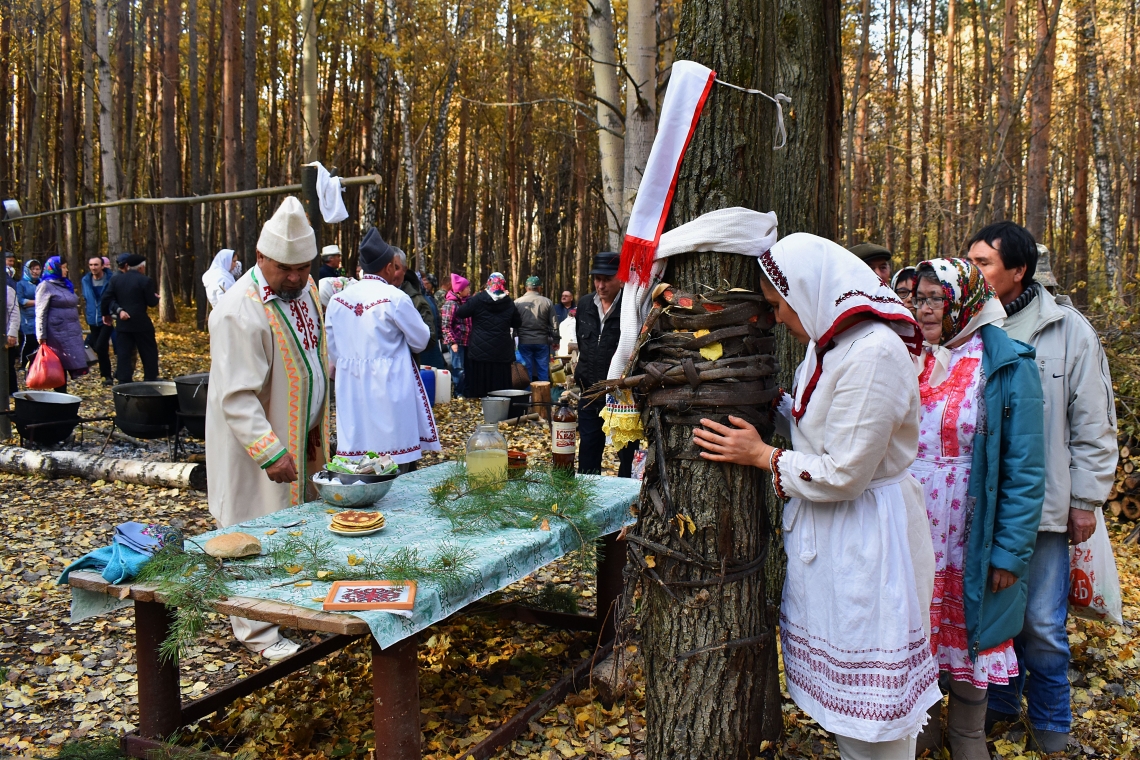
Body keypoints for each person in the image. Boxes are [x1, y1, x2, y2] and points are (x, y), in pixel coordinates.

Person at [692, 233, 940, 759]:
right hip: (839, 535)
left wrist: (763, 456)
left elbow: (847, 470)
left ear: (810, 291)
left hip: (869, 540)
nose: (778, 317)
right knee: (852, 714)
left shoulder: (874, 352)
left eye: (780, 304)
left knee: (876, 713)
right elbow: (821, 425)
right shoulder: (831, 343)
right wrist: (767, 402)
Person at [967, 221, 1117, 754]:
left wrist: (1085, 500)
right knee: (989, 614)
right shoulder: (971, 327)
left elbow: (1093, 422)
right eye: (973, 260)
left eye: (984, 263)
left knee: (1043, 626)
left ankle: (1053, 727)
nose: (975, 271)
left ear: (1019, 270)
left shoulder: (1067, 330)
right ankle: (1000, 708)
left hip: (1046, 509)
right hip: (982, 508)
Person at [910, 258, 1044, 758]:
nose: (922, 309)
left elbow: (1026, 469)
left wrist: (1010, 553)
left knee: (972, 646)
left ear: (962, 300)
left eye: (934, 299)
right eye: (917, 298)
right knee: (916, 650)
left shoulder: (1006, 363)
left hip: (973, 532)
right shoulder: (909, 355)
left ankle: (967, 739)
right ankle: (920, 742)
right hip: (913, 528)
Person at [206, 196, 329, 661]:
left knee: (295, 527)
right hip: (256, 445)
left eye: (303, 267)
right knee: (251, 528)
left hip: (301, 434)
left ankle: (289, 607)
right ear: (260, 258)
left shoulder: (306, 290)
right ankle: (257, 631)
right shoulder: (239, 310)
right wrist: (270, 450)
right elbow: (235, 396)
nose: (295, 277)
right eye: (285, 268)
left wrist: (316, 423)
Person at [325, 227, 440, 466]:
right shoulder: (394, 297)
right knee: (394, 458)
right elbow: (420, 340)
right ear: (389, 267)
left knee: (358, 461)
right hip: (390, 388)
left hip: (352, 389)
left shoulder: (337, 300)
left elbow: (333, 350)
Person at [575, 252, 637, 476]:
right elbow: (583, 345)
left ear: (620, 278)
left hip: (622, 393)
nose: (601, 285)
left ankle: (628, 501)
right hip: (590, 391)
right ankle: (586, 500)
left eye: (607, 279)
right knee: (589, 451)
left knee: (627, 454)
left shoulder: (631, 308)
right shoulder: (584, 305)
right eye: (597, 279)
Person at [453, 272, 521, 399]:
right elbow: (517, 322)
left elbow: (461, 313)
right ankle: (501, 402)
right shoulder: (508, 302)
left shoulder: (478, 298)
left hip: (480, 348)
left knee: (480, 378)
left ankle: (480, 402)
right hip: (502, 349)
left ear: (489, 283)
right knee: (500, 380)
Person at [101, 254, 160, 383]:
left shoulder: (116, 280)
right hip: (141, 324)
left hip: (123, 324)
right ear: (141, 267)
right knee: (148, 351)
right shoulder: (145, 280)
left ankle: (123, 381)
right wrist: (156, 297)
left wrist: (106, 314)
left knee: (123, 354)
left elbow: (106, 298)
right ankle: (150, 379)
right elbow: (151, 302)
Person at [35, 257, 89, 390]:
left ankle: (62, 395)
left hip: (71, 331)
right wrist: (41, 334)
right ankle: (60, 394)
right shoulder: (45, 286)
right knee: (58, 364)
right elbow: (40, 311)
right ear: (55, 268)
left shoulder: (65, 284)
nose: (66, 270)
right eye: (63, 267)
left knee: (69, 362)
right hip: (56, 332)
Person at [399, 268, 445, 369]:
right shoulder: (425, 299)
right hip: (429, 356)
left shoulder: (416, 301)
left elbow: (429, 335)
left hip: (422, 358)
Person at [514, 275, 556, 382]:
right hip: (542, 341)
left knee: (525, 371)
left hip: (524, 341)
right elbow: (554, 323)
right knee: (543, 370)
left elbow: (513, 323)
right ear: (539, 288)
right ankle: (543, 396)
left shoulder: (517, 302)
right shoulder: (547, 302)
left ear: (526, 288)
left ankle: (526, 397)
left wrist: (514, 339)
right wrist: (556, 339)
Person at [81, 254, 115, 384]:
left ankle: (107, 376)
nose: (93, 267)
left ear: (102, 266)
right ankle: (106, 376)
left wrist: (111, 313)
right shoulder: (85, 280)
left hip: (107, 318)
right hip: (92, 319)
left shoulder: (111, 279)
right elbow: (86, 298)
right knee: (100, 348)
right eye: (91, 265)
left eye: (96, 265)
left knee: (101, 346)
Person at [441, 273, 472, 397]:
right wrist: (452, 342)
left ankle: (466, 392)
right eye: (467, 288)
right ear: (460, 290)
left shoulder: (465, 302)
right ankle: (458, 394)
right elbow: (446, 325)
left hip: (466, 341)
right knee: (458, 369)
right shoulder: (451, 304)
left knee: (466, 368)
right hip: (457, 342)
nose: (469, 290)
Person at [16, 259, 41, 373]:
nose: (36, 272)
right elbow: (21, 300)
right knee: (29, 340)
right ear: (27, 270)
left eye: (37, 269)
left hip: (40, 316)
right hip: (27, 317)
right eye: (33, 269)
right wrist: (37, 301)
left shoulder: (42, 283)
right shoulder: (21, 284)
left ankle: (34, 364)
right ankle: (23, 364)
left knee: (37, 341)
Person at [420, 273, 447, 369]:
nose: (425, 284)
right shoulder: (425, 299)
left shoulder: (430, 297)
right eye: (424, 282)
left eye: (427, 283)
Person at [6, 279, 18, 394]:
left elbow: (14, 313)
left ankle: (12, 393)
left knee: (8, 367)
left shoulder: (8, 291)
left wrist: (12, 333)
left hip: (6, 337)